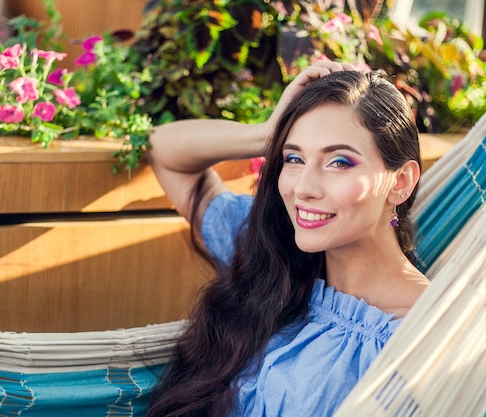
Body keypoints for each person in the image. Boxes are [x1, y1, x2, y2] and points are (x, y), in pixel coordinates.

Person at [144, 61, 430, 417]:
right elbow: (160, 147)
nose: (302, 189)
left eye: (339, 162)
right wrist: (266, 133)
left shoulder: (422, 336)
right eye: (294, 158)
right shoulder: (271, 256)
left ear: (400, 182)